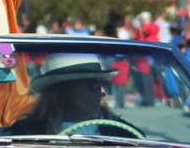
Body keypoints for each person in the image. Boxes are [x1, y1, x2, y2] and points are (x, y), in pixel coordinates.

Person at [8, 55, 139, 137]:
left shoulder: (121, 132)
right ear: (64, 91)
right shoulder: (26, 134)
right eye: (93, 85)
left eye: (102, 83)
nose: (102, 92)